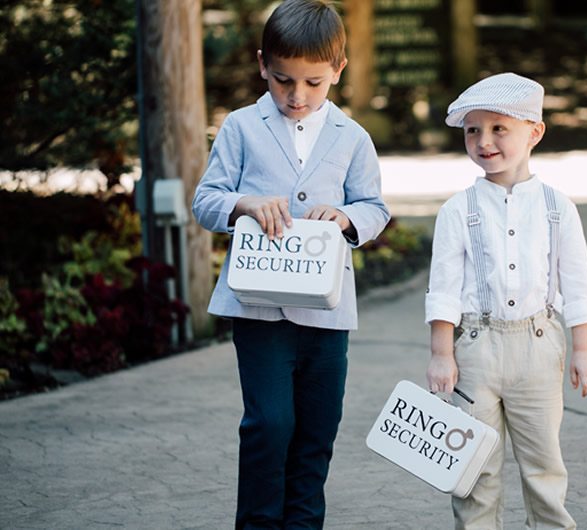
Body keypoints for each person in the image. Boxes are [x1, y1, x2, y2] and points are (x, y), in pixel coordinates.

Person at [192, 1, 390, 528]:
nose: (297, 96)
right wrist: (244, 203)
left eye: (313, 83)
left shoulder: (353, 137)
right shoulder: (239, 127)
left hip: (327, 316)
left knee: (317, 431)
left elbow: (375, 209)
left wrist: (346, 217)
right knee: (269, 424)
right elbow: (205, 200)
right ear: (263, 65)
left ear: (338, 72)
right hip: (257, 311)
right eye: (283, 81)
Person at [425, 72, 587, 530]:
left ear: (535, 133)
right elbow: (443, 287)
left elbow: (578, 283)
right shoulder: (457, 210)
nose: (484, 141)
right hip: (474, 351)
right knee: (473, 467)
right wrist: (441, 355)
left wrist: (583, 350)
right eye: (473, 130)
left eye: (499, 128)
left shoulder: (556, 207)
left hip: (538, 345)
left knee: (543, 463)